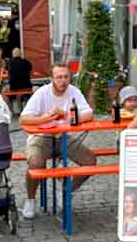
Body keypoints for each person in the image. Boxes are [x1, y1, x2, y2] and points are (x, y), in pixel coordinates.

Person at [18, 63, 96, 220]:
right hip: (42, 137)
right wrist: (43, 118)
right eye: (59, 77)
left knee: (90, 161)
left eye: (66, 77)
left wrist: (67, 115)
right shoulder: (42, 93)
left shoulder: (73, 91)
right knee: (35, 163)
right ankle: (30, 200)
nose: (63, 81)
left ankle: (67, 192)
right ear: (52, 78)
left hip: (64, 136)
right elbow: (23, 119)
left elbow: (89, 114)